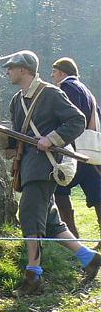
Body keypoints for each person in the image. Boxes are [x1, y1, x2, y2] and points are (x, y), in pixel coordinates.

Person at [0, 50, 101, 294]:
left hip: (45, 167)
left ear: (24, 69)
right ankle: (89, 257)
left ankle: (33, 276)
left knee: (29, 216)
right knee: (49, 221)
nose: (8, 72)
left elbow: (77, 120)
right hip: (28, 167)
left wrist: (52, 138)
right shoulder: (17, 100)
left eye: (12, 67)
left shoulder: (51, 93)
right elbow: (19, 138)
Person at [49, 58, 101, 246]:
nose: (53, 76)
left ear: (62, 72)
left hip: (73, 151)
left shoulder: (67, 88)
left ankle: (72, 235)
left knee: (61, 191)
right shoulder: (86, 90)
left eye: (54, 72)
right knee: (98, 196)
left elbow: (70, 117)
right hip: (91, 152)